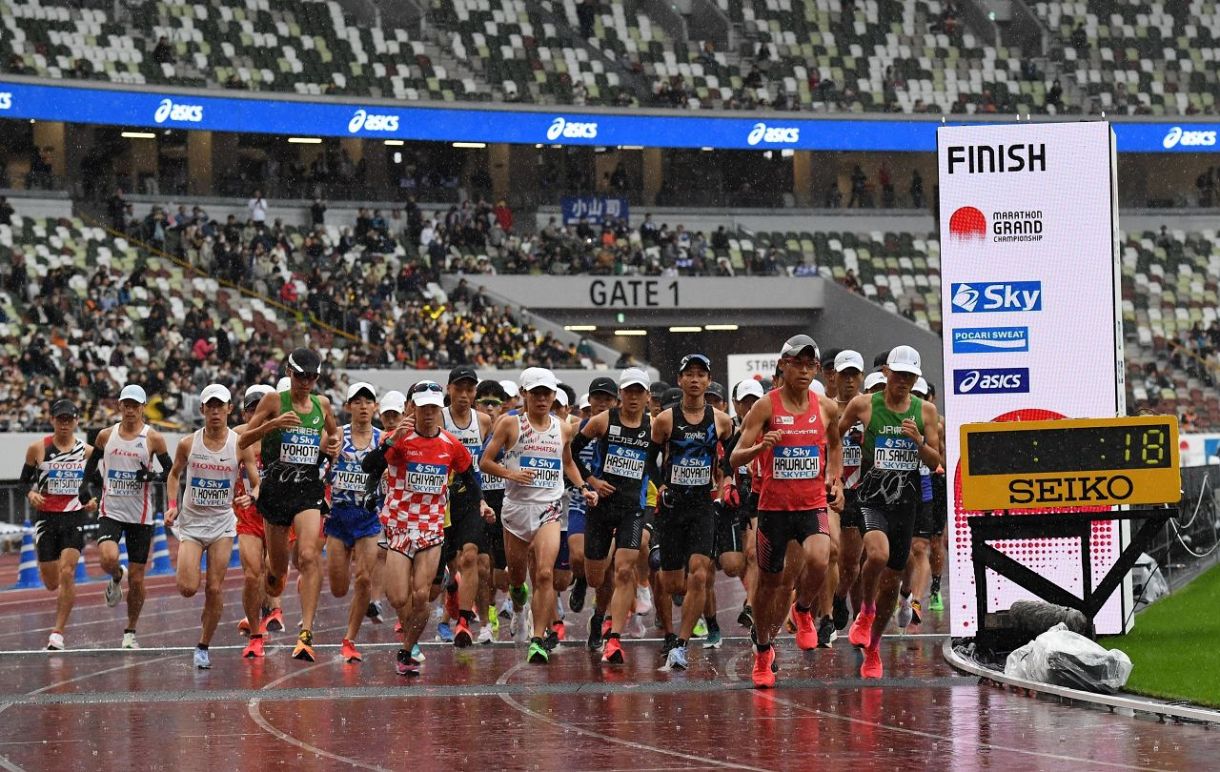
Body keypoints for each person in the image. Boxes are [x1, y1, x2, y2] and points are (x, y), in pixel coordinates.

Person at [731, 335, 843, 688]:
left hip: (811, 504)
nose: (805, 371)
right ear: (784, 365)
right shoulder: (765, 407)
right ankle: (763, 648)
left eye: (811, 365)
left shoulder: (825, 407)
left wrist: (835, 479)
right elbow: (735, 457)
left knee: (821, 558)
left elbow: (836, 444)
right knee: (767, 585)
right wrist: (759, 448)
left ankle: (804, 609)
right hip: (773, 511)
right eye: (798, 363)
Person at [363, 381, 481, 676]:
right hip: (399, 527)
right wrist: (392, 440)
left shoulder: (451, 444)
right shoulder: (397, 439)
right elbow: (369, 466)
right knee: (398, 597)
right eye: (422, 407)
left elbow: (470, 478)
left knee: (421, 595)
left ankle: (406, 651)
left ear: (439, 409)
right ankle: (412, 636)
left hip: (431, 529)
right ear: (412, 408)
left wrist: (481, 505)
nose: (428, 413)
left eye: (433, 407)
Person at [480, 367, 596, 664]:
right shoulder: (510, 424)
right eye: (536, 393)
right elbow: (485, 462)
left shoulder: (563, 427)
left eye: (547, 393)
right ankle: (519, 610)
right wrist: (512, 473)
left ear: (554, 395)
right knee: (516, 578)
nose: (542, 399)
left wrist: (583, 487)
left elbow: (568, 463)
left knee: (544, 573)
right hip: (517, 510)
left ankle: (537, 638)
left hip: (549, 507)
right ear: (525, 395)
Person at [838, 345, 941, 679]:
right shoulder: (864, 405)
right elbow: (832, 437)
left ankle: (873, 647)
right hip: (872, 497)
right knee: (877, 555)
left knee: (893, 583)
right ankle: (864, 612)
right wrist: (832, 476)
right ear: (886, 374)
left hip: (905, 503)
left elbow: (934, 461)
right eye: (898, 375)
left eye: (909, 377)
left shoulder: (925, 412)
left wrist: (918, 443)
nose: (903, 382)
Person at [238, 348, 340, 662]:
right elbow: (243, 441)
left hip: (308, 488)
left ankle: (306, 633)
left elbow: (333, 437)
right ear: (288, 373)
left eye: (312, 377)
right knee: (276, 571)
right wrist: (272, 425)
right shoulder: (273, 402)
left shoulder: (322, 404)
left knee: (309, 555)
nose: (306, 382)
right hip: (276, 490)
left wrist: (332, 446)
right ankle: (273, 593)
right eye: (300, 376)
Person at [164, 385, 260, 669]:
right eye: (211, 406)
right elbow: (173, 475)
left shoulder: (240, 444)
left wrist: (251, 496)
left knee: (215, 589)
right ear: (203, 410)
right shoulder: (188, 444)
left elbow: (256, 483)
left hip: (222, 525)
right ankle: (204, 616)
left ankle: (203, 645)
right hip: (192, 525)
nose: (216, 412)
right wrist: (172, 505)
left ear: (230, 409)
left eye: (221, 406)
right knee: (187, 588)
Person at [650, 354, 733, 670]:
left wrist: (722, 481)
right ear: (681, 380)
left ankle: (681, 645)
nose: (696, 380)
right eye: (690, 375)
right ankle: (675, 629)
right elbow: (650, 461)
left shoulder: (721, 420)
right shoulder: (666, 420)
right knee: (672, 583)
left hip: (702, 505)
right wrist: (663, 487)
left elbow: (731, 455)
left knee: (700, 573)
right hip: (673, 507)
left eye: (701, 375)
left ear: (708, 381)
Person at [573, 368, 653, 664]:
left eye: (638, 392)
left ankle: (614, 639)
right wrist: (591, 482)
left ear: (647, 396)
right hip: (600, 509)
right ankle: (598, 615)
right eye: (628, 391)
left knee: (623, 570)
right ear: (621, 394)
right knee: (598, 576)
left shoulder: (654, 426)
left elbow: (663, 462)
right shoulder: (603, 421)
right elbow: (569, 454)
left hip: (632, 509)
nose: (633, 397)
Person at [84, 384, 172, 649]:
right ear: (119, 406)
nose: (131, 410)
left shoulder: (153, 438)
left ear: (143, 407)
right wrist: (83, 489)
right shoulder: (105, 436)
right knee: (108, 558)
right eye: (126, 404)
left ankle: (130, 632)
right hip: (111, 510)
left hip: (140, 516)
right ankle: (114, 575)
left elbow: (171, 472)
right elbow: (91, 467)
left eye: (136, 405)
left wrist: (151, 475)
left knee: (137, 578)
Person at [19, 399, 95, 650]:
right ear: (52, 420)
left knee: (68, 572)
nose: (64, 424)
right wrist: (31, 494)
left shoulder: (87, 451)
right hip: (46, 520)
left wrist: (93, 499)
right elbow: (22, 483)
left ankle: (57, 633)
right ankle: (58, 625)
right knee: (52, 581)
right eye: (60, 419)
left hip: (74, 517)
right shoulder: (37, 449)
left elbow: (100, 480)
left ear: (76, 422)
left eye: (69, 420)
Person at [324, 382, 387, 663]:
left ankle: (349, 639)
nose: (363, 407)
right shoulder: (335, 436)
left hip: (368, 518)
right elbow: (317, 471)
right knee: (339, 589)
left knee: (364, 578)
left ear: (375, 407)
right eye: (357, 401)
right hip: (338, 516)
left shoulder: (383, 439)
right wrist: (328, 465)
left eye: (368, 401)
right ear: (348, 406)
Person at [440, 366, 496, 647]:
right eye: (459, 389)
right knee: (445, 569)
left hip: (472, 499)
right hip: (440, 502)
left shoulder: (483, 421)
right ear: (448, 389)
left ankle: (464, 622)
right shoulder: (437, 418)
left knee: (472, 558)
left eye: (469, 390)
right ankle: (451, 588)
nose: (464, 395)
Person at [233, 384, 283, 658]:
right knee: (253, 574)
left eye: (262, 409)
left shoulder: (282, 436)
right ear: (245, 414)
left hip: (276, 514)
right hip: (248, 517)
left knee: (270, 570)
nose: (258, 414)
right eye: (252, 409)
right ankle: (255, 633)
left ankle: (272, 608)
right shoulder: (238, 437)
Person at [831, 350, 867, 633]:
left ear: (862, 377)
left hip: (864, 490)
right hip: (833, 491)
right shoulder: (825, 408)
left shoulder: (870, 408)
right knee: (838, 558)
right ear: (834, 377)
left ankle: (850, 608)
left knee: (858, 563)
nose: (850, 380)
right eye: (845, 375)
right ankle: (834, 603)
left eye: (855, 375)